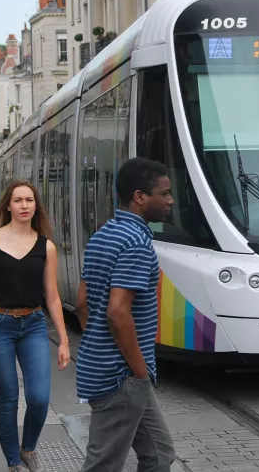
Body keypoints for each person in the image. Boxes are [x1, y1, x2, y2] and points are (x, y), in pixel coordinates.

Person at [0, 180, 70, 472]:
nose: (24, 205)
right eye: (18, 200)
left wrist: (64, 341)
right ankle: (13, 463)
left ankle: (28, 449)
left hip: (33, 325)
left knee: (39, 398)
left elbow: (53, 297)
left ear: (36, 205)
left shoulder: (46, 246)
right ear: (8, 205)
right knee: (7, 400)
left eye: (29, 200)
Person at [76, 158, 176, 472]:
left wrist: (97, 345)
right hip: (122, 375)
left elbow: (82, 303)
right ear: (140, 196)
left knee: (159, 455)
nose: (170, 200)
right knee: (103, 464)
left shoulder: (103, 234)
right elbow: (117, 313)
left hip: (116, 370)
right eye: (164, 193)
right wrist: (139, 371)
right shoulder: (136, 243)